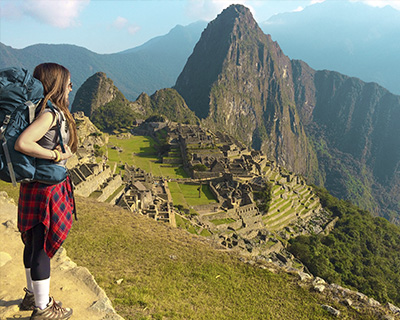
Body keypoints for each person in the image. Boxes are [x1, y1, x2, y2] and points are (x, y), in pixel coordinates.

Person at [14, 62, 78, 320]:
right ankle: (43, 309)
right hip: (46, 190)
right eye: (69, 83)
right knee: (41, 248)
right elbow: (23, 143)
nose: (72, 87)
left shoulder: (38, 110)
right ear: (58, 85)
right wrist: (55, 154)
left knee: (32, 242)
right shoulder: (51, 115)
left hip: (33, 186)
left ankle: (32, 295)